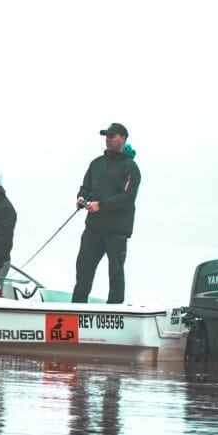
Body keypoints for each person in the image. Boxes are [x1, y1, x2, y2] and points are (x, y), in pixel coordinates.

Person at [71, 123, 141, 304]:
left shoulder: (130, 167)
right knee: (83, 268)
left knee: (115, 272)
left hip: (117, 230)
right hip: (93, 228)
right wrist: (81, 197)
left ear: (123, 138)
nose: (108, 139)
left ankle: (115, 308)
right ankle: (77, 306)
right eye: (106, 136)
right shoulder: (96, 163)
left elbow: (127, 197)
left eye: (112, 135)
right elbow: (86, 187)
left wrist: (101, 205)